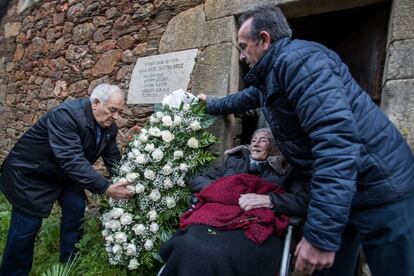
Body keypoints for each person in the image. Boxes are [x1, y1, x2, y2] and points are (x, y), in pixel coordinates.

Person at [197, 5, 414, 276]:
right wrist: (207, 104)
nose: (241, 56)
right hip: (342, 191)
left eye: (243, 46)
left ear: (264, 40)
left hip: (380, 187)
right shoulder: (271, 77)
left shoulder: (300, 63)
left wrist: (321, 235)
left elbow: (335, 143)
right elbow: (240, 99)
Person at [0, 83, 133, 275]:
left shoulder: (109, 127)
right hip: (31, 174)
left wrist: (127, 180)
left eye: (120, 112)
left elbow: (112, 159)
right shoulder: (65, 115)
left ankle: (69, 260)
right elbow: (71, 159)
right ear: (96, 103)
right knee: (26, 227)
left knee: (76, 207)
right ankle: (13, 272)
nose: (116, 117)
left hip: (63, 175)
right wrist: (105, 187)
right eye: (113, 110)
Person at [159, 128, 309, 276]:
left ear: (274, 148)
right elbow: (197, 179)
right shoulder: (234, 162)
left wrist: (270, 199)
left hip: (254, 225)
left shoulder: (285, 169)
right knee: (186, 245)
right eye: (253, 141)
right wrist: (224, 190)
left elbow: (303, 201)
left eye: (263, 141)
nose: (256, 144)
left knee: (224, 255)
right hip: (215, 217)